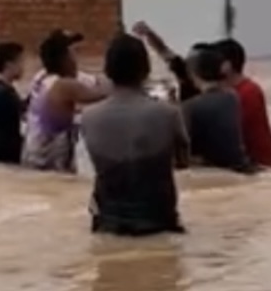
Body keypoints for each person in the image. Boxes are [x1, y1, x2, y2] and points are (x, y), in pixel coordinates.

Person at [80, 33, 189, 237]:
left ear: (108, 70)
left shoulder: (89, 117)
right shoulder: (168, 113)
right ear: (146, 70)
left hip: (107, 226)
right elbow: (183, 162)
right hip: (160, 224)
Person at [22, 30, 108, 173]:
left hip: (32, 154)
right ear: (64, 59)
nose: (76, 59)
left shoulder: (41, 77)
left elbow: (95, 82)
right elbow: (104, 93)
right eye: (73, 53)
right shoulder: (64, 86)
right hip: (49, 161)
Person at [182, 45, 255, 173]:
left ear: (192, 74)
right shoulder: (231, 97)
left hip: (214, 171)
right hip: (242, 168)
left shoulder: (190, 107)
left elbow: (182, 149)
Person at [217, 38, 271, 170]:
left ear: (227, 66)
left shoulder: (247, 92)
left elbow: (231, 130)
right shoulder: (234, 92)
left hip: (263, 165)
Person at [131, 21, 203, 102]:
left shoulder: (190, 80)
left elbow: (164, 51)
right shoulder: (184, 71)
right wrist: (149, 34)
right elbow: (164, 51)